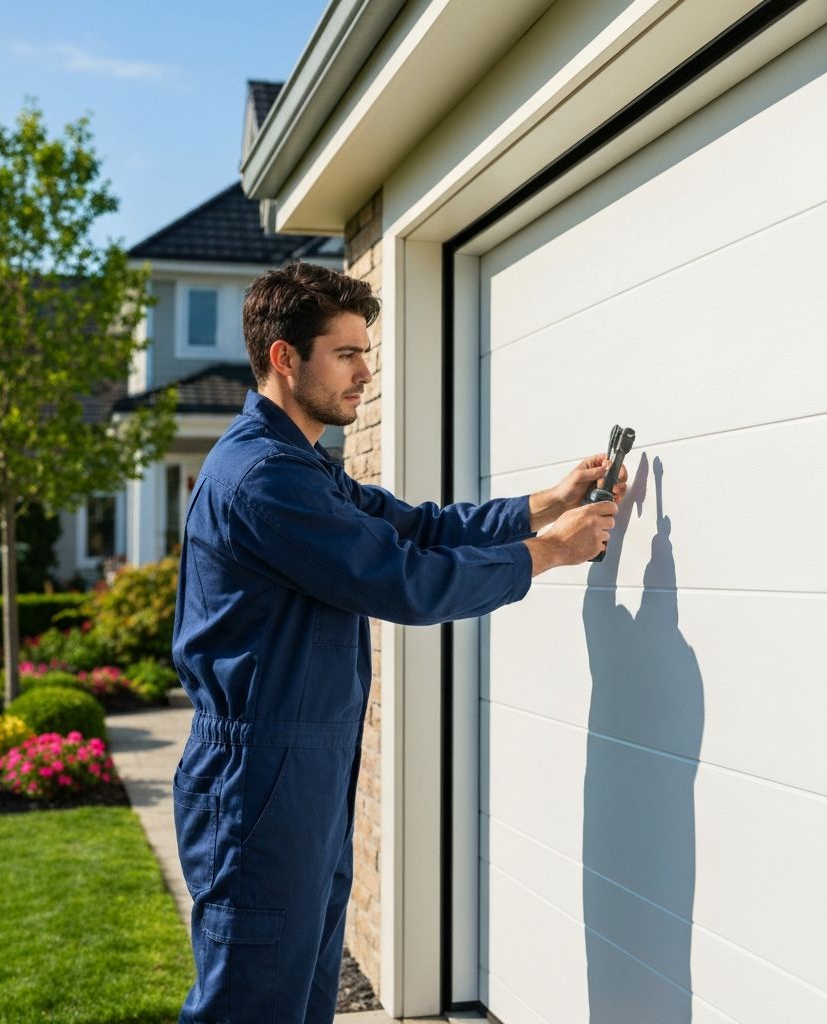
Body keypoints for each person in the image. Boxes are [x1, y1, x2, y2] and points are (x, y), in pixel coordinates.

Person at [171, 261, 624, 1024]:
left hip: (299, 776)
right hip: (258, 783)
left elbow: (418, 528)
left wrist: (545, 504)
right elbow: (402, 579)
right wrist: (548, 552)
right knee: (250, 1006)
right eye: (346, 354)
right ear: (285, 358)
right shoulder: (263, 478)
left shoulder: (300, 467)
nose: (365, 372)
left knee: (299, 1001)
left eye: (365, 352)